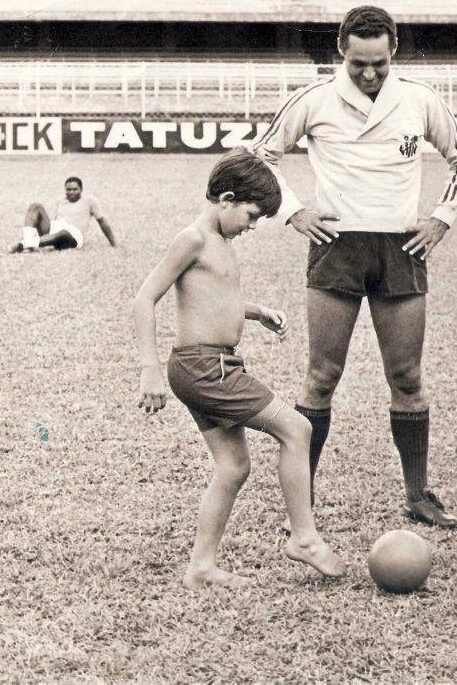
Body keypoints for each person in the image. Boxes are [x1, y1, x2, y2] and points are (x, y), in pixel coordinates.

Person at [252, 5, 457, 528]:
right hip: (338, 247)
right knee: (321, 376)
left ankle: (418, 495)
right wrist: (293, 212)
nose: (370, 73)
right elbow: (262, 155)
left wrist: (441, 218)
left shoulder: (420, 100)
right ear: (341, 51)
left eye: (379, 62)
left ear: (393, 51)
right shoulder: (313, 100)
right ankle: (300, 503)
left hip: (402, 250)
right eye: (359, 63)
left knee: (406, 375)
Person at [132, 148, 346, 588]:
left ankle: (201, 568)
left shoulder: (221, 241)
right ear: (226, 198)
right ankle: (303, 536)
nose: (252, 226)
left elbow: (213, 299)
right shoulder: (192, 238)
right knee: (297, 429)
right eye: (251, 215)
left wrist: (255, 311)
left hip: (214, 364)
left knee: (232, 467)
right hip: (203, 368)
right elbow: (143, 298)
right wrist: (148, 367)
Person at [7, 176, 116, 252]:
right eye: (68, 189)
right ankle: (29, 245)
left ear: (81, 189)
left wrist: (113, 243)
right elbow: (55, 220)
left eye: (75, 189)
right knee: (35, 206)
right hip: (55, 228)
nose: (71, 192)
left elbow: (102, 222)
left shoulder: (90, 201)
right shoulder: (60, 200)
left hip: (73, 235)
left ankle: (23, 244)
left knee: (63, 233)